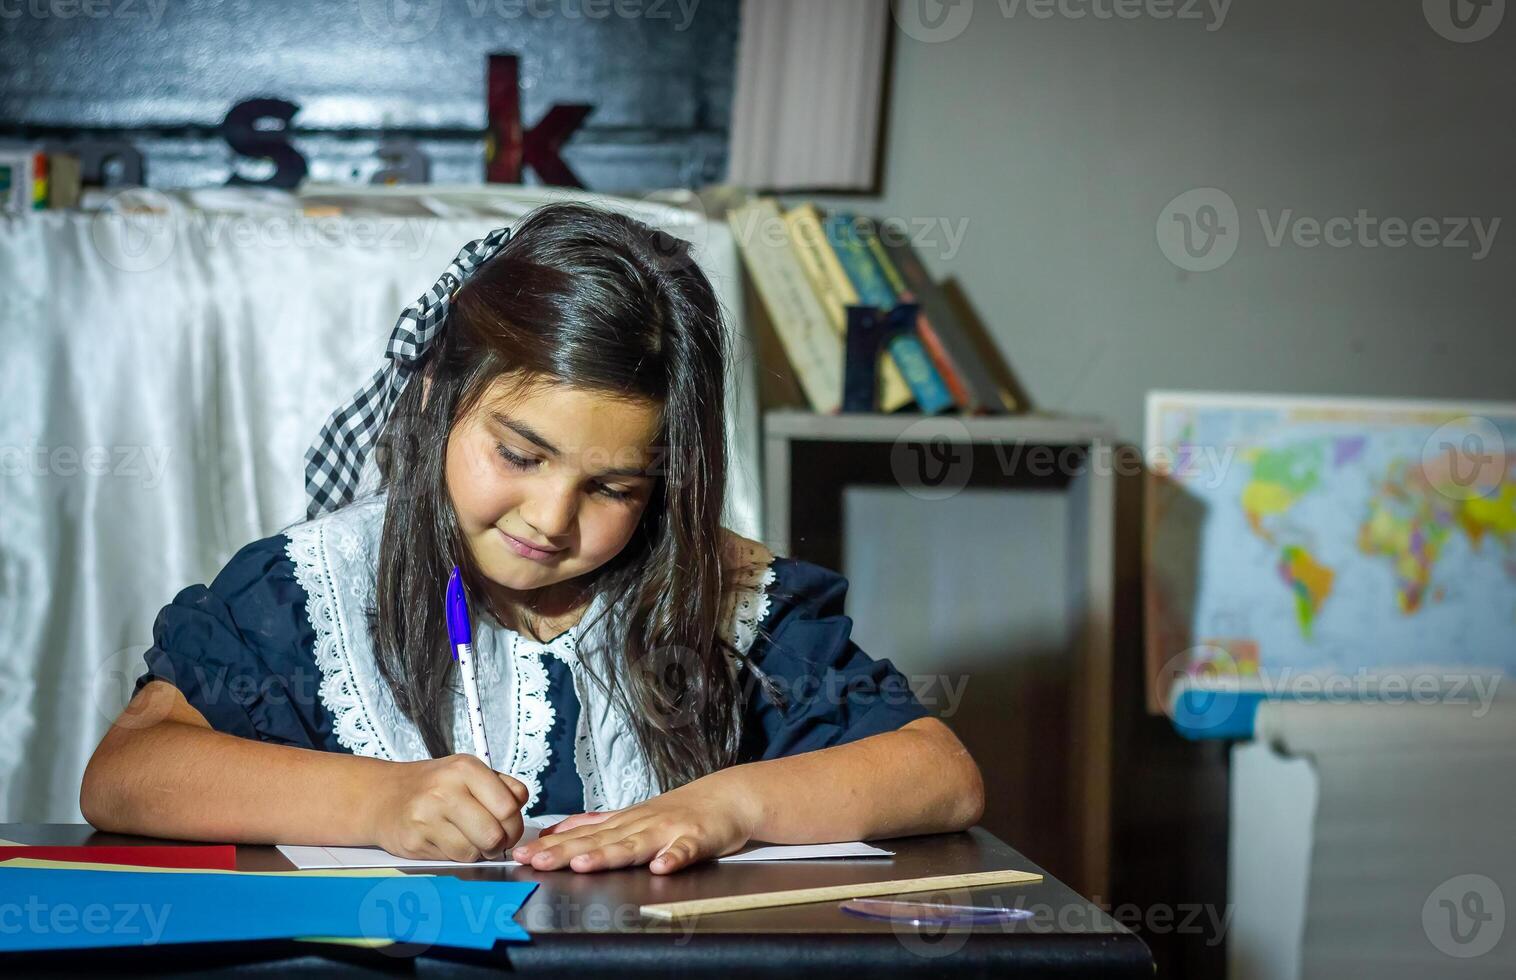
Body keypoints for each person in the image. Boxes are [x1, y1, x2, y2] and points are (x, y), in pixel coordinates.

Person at [80, 202, 984, 874]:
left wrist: (728, 804)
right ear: (436, 399)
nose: (551, 520)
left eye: (613, 486)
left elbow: (940, 773)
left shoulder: (732, 597)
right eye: (518, 454)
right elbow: (127, 772)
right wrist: (380, 800)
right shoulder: (316, 588)